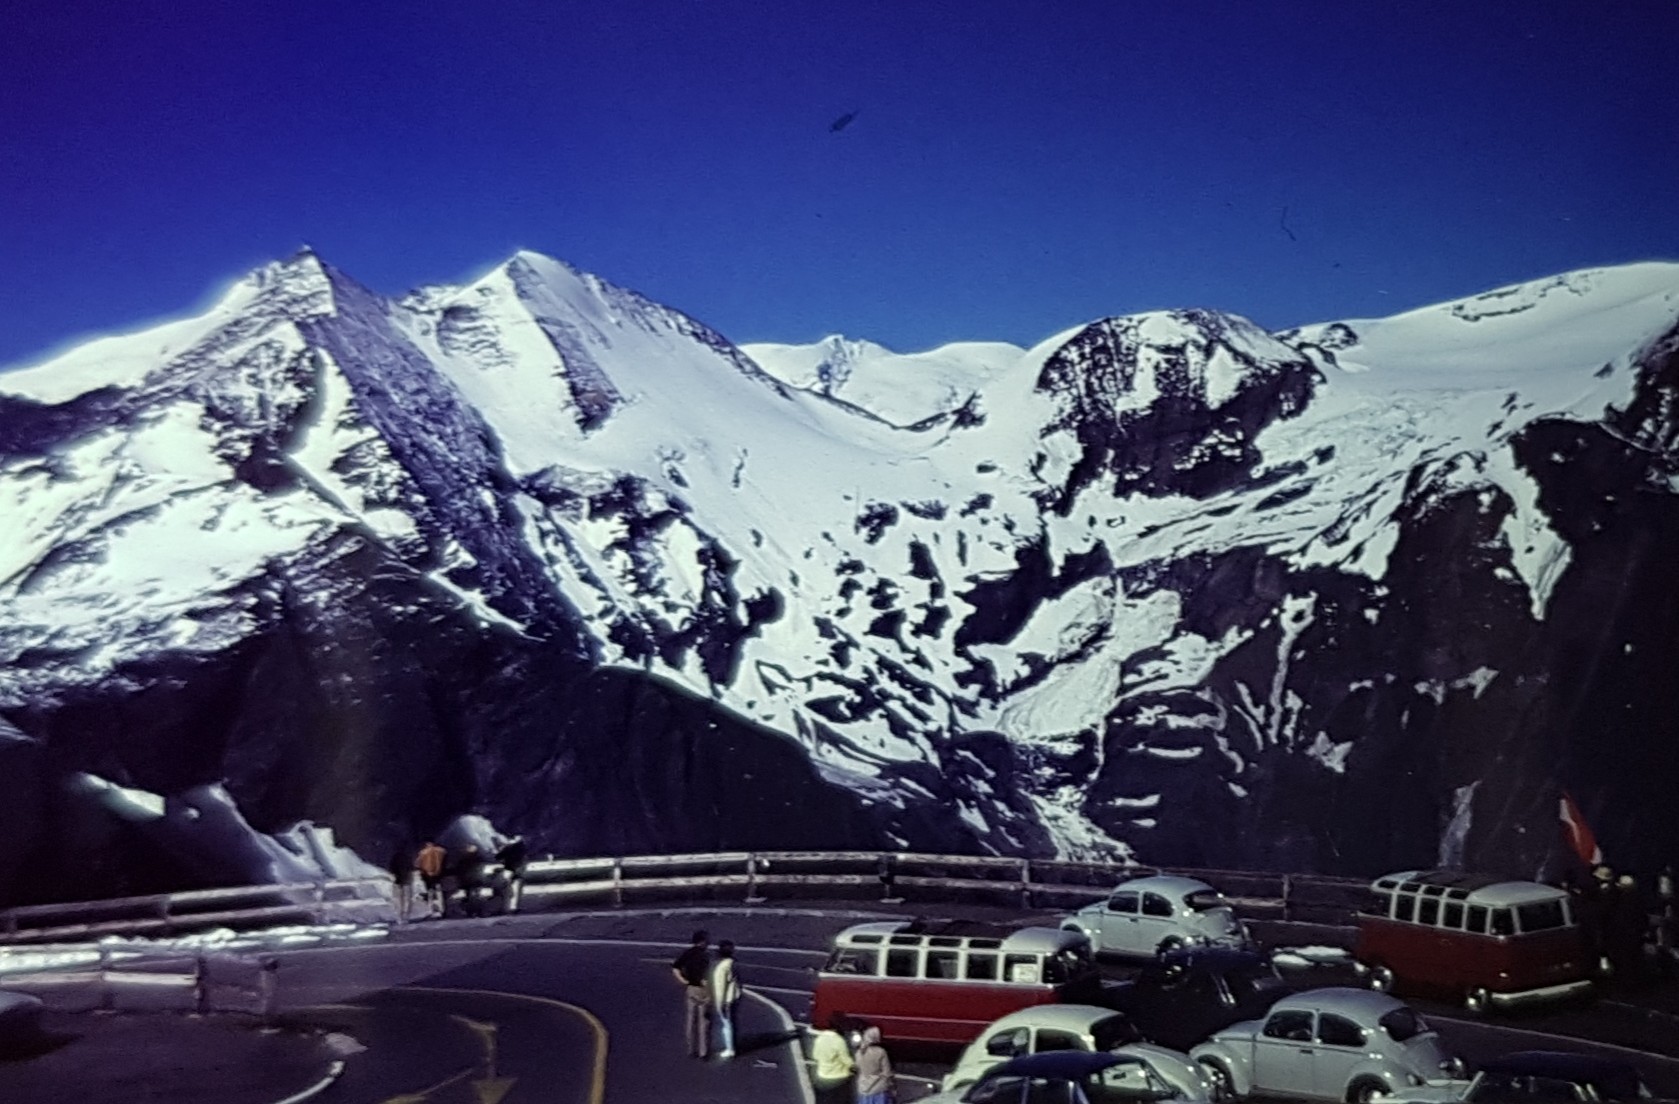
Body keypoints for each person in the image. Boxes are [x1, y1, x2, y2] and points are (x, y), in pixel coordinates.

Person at [671, 930, 711, 1058]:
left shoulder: (687, 953)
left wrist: (683, 980)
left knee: (690, 1019)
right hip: (702, 989)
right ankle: (703, 1051)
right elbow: (706, 976)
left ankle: (690, 1048)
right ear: (703, 942)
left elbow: (675, 967)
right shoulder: (705, 956)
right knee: (703, 1021)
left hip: (691, 988)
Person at [810, 1012, 856, 1103]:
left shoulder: (820, 1038)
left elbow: (815, 1056)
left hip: (822, 1075)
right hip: (838, 1078)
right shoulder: (838, 1040)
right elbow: (845, 1059)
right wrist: (853, 1065)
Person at [711, 939, 742, 1059]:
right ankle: (733, 1045)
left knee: (726, 1024)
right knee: (732, 1023)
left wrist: (719, 1004)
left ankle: (730, 1049)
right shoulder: (734, 963)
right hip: (735, 996)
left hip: (726, 1000)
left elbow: (720, 988)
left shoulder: (722, 967)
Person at [854, 1023, 894, 1104]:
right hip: (879, 1088)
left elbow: (857, 1067)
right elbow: (887, 1072)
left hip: (863, 1087)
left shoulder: (859, 1052)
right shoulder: (881, 1051)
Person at [496, 836, 529, 913]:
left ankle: (505, 907)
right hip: (519, 870)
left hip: (509, 869)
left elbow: (498, 856)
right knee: (516, 889)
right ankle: (514, 907)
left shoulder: (508, 847)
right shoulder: (523, 848)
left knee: (506, 889)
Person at [415, 840, 447, 918]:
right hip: (439, 875)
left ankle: (430, 910)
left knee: (430, 893)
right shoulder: (442, 851)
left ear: (426, 844)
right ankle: (442, 910)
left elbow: (417, 864)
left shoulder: (423, 853)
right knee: (439, 892)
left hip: (427, 875)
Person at [387, 841, 415, 923]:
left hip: (397, 880)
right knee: (407, 899)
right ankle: (406, 915)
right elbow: (411, 868)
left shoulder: (394, 858)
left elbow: (391, 869)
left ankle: (399, 916)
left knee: (398, 899)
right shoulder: (407, 858)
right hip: (407, 880)